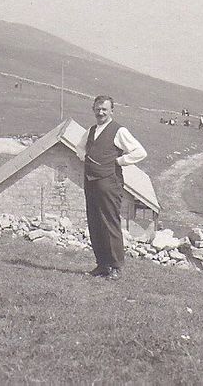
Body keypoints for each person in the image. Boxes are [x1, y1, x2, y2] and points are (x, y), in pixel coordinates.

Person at [76, 95, 147, 280]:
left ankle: (115, 266)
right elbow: (79, 148)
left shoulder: (118, 130)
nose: (100, 112)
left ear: (111, 111)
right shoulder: (91, 130)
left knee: (109, 222)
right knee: (95, 222)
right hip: (90, 182)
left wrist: (119, 161)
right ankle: (102, 264)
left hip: (109, 182)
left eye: (104, 109)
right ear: (93, 109)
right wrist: (85, 157)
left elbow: (140, 152)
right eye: (98, 109)